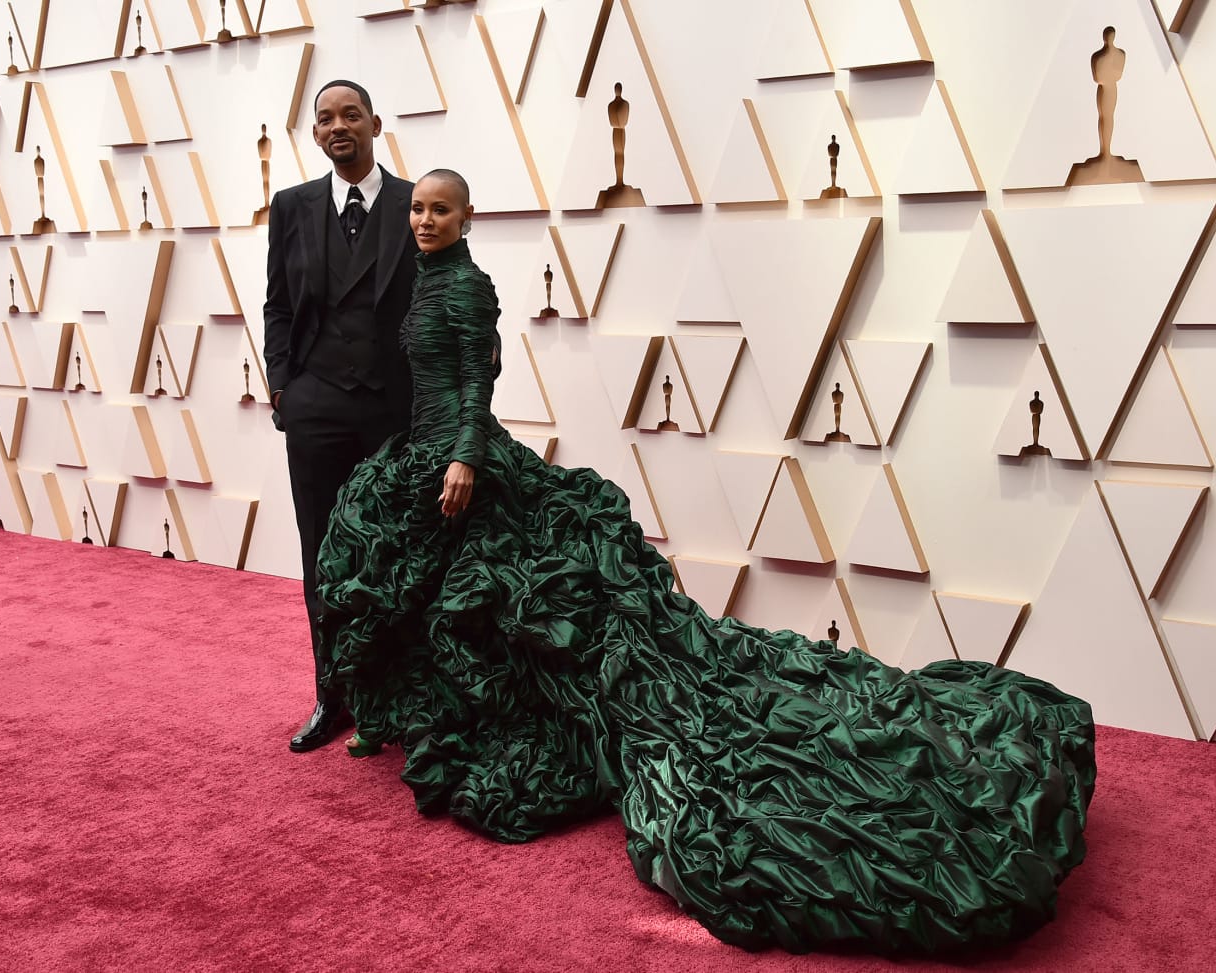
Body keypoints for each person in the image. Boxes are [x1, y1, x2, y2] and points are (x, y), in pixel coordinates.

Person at [315, 169, 1096, 957]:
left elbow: (479, 384)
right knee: (430, 593)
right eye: (417, 208)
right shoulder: (426, 282)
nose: (423, 219)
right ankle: (429, 719)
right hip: (424, 455)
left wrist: (464, 460)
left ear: (466, 215)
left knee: (523, 612)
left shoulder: (469, 289)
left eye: (438, 209)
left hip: (461, 464)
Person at [262, 79, 419, 753]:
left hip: (394, 409)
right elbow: (276, 304)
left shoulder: (419, 203)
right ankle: (335, 696)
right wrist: (283, 388)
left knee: (400, 553)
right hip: (317, 406)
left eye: (349, 113)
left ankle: (405, 699)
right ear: (317, 134)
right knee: (322, 553)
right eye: (324, 118)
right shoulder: (292, 206)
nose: (337, 125)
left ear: (375, 123)